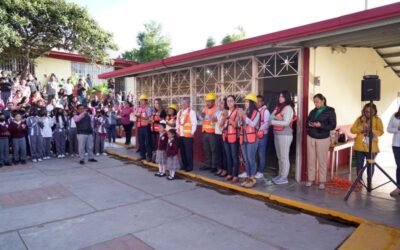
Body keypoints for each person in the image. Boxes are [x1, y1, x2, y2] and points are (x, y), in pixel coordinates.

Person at [305, 94, 337, 189]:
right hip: (311, 137)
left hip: (323, 138)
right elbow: (307, 122)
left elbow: (333, 125)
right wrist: (310, 124)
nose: (316, 104)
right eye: (314, 102)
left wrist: (321, 125)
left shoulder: (330, 111)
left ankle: (322, 181)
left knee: (322, 160)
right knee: (311, 159)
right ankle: (310, 179)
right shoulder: (312, 111)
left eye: (317, 101)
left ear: (323, 100)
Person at [350, 103, 384, 178]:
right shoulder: (360, 119)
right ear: (364, 111)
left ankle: (369, 181)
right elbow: (352, 130)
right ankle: (359, 181)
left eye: (371, 111)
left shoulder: (378, 120)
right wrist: (361, 128)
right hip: (359, 146)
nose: (368, 113)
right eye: (366, 111)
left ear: (375, 111)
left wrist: (371, 130)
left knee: (370, 165)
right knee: (359, 165)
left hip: (371, 147)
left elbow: (381, 132)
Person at [270, 91, 295, 185]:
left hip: (285, 134)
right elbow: (270, 117)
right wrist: (277, 118)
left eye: (282, 96)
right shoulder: (279, 107)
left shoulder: (288, 108)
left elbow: (286, 123)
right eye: (279, 96)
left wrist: (273, 121)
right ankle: (280, 175)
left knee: (284, 157)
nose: (280, 98)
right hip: (277, 133)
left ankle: (284, 177)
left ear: (287, 97)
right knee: (279, 157)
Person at [238, 93, 260, 188]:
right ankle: (247, 177)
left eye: (247, 102)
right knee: (246, 160)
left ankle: (252, 178)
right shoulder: (245, 112)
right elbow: (240, 125)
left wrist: (244, 116)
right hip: (244, 139)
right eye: (245, 102)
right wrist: (240, 118)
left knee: (251, 159)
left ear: (251, 103)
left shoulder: (257, 113)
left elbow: (253, 124)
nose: (245, 103)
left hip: (252, 139)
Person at [200, 92, 220, 173]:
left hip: (212, 132)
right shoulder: (205, 108)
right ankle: (208, 164)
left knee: (213, 150)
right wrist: (201, 116)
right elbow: (202, 118)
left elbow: (214, 119)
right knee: (206, 149)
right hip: (205, 131)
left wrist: (205, 116)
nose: (207, 103)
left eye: (209, 101)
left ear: (213, 101)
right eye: (207, 101)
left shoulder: (217, 108)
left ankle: (214, 166)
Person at [222, 95, 240, 183]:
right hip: (226, 136)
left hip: (233, 137)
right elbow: (221, 125)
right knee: (228, 156)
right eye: (228, 101)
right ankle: (229, 174)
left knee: (234, 157)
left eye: (231, 100)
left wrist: (228, 118)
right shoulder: (226, 111)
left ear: (234, 102)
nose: (229, 102)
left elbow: (236, 125)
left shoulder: (237, 111)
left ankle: (236, 175)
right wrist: (223, 118)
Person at [177, 97, 197, 172]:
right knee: (182, 151)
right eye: (182, 103)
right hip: (180, 135)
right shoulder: (179, 112)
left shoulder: (191, 112)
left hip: (188, 135)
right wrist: (177, 132)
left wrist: (192, 132)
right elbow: (177, 123)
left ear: (188, 104)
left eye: (184, 103)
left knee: (188, 152)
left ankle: (189, 166)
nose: (182, 104)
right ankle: (184, 165)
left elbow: (194, 123)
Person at [255, 95, 271, 179]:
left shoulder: (266, 111)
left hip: (262, 135)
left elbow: (266, 123)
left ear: (262, 102)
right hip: (254, 135)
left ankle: (260, 171)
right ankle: (254, 170)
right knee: (254, 154)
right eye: (256, 101)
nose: (257, 102)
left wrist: (258, 130)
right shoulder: (255, 110)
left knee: (261, 154)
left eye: (259, 101)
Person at [135, 94, 153, 161]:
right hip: (140, 127)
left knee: (148, 142)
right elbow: (136, 117)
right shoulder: (139, 109)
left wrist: (139, 117)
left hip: (146, 127)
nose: (141, 101)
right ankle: (142, 155)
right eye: (141, 100)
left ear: (146, 101)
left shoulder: (148, 109)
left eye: (142, 100)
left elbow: (148, 118)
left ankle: (149, 156)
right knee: (141, 141)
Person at [387, 106, 400, 197]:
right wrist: (397, 129)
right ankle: (398, 187)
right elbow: (388, 129)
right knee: (399, 166)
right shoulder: (394, 116)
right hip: (396, 145)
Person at [214, 97, 227, 177]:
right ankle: (220, 168)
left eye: (222, 103)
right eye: (219, 103)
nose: (220, 105)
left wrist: (218, 121)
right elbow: (214, 121)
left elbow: (222, 124)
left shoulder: (226, 112)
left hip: (223, 134)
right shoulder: (218, 112)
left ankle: (225, 169)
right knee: (218, 152)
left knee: (224, 153)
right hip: (217, 133)